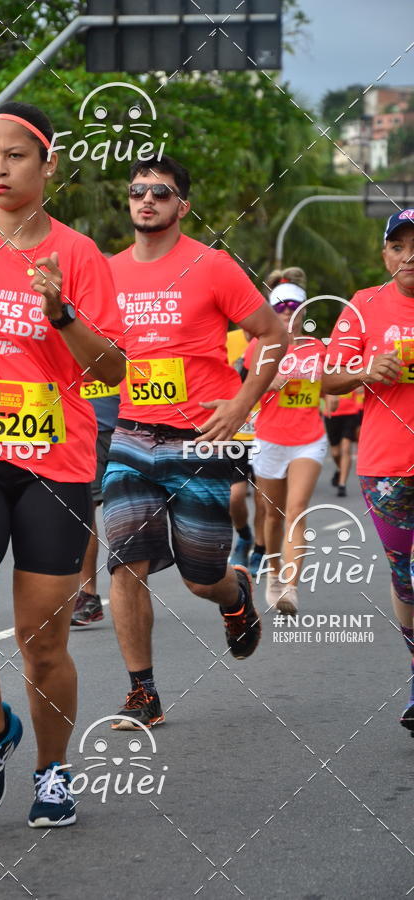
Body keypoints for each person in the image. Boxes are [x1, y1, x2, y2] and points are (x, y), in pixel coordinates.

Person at [0, 101, 125, 827]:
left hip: (57, 467)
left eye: (15, 156)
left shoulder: (80, 253)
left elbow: (113, 368)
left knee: (43, 645)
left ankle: (53, 770)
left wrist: (64, 314)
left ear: (47, 166)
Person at [102, 155, 287, 729]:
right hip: (132, 436)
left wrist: (241, 402)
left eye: (160, 192)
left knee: (200, 576)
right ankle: (143, 691)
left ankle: (235, 597)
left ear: (182, 204)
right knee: (124, 562)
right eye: (138, 191)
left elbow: (275, 335)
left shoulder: (214, 267)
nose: (147, 200)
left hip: (202, 439)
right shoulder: (106, 272)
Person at [322, 209, 414, 735]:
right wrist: (364, 370)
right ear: (385, 255)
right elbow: (330, 379)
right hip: (386, 467)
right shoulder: (363, 306)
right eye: (398, 246)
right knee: (405, 579)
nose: (409, 255)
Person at [245, 269, 327, 615]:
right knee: (272, 516)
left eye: (294, 306)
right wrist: (267, 380)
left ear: (304, 310)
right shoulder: (258, 347)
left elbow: (333, 381)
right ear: (271, 309)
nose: (287, 312)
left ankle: (291, 588)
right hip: (270, 439)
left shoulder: (318, 348)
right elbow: (247, 388)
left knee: (296, 511)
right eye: (280, 306)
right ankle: (275, 577)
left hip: (309, 438)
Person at [71, 377, 120, 626]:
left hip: (133, 428)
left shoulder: (127, 336)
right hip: (85, 431)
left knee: (127, 511)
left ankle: (131, 584)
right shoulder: (66, 335)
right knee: (84, 510)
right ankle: (88, 595)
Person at [226, 326, 266, 574]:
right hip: (237, 433)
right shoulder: (228, 340)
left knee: (264, 498)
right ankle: (243, 535)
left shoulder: (274, 341)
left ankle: (261, 550)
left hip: (269, 432)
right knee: (235, 495)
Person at [324, 387, 363, 497]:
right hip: (331, 415)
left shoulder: (351, 369)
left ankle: (342, 484)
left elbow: (360, 386)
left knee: (346, 448)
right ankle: (340, 468)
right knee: (335, 453)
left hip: (350, 413)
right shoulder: (327, 371)